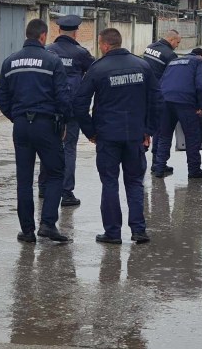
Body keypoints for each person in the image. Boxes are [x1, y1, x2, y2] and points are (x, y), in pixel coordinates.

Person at [74, 28, 161, 245]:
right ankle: (139, 231)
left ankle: (113, 233)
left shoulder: (97, 69)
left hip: (107, 136)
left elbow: (79, 104)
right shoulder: (142, 65)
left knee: (110, 183)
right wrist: (148, 130)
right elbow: (157, 100)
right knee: (134, 183)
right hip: (135, 136)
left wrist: (91, 131)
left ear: (104, 45)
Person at [0, 18, 72, 244]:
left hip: (21, 126)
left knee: (24, 179)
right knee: (56, 173)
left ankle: (27, 231)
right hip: (47, 125)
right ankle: (48, 224)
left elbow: (2, 100)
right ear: (43, 36)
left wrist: (17, 117)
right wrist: (63, 123)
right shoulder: (52, 61)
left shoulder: (9, 62)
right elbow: (63, 98)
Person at [38, 14, 95, 207]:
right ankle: (66, 192)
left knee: (49, 147)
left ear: (58, 30)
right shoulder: (81, 53)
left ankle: (44, 188)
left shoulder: (47, 51)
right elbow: (94, 74)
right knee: (69, 148)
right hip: (71, 109)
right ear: (76, 32)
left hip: (49, 108)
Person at [152, 47, 202, 179]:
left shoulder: (174, 61)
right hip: (185, 102)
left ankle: (159, 168)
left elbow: (161, 82)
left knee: (164, 136)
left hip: (165, 100)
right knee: (192, 136)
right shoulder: (200, 61)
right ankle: (194, 170)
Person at [142, 29, 181, 173]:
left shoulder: (150, 48)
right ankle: (158, 163)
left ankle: (140, 163)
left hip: (144, 93)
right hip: (159, 96)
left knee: (144, 129)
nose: (177, 45)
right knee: (161, 130)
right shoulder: (170, 55)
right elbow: (173, 78)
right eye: (177, 42)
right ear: (171, 40)